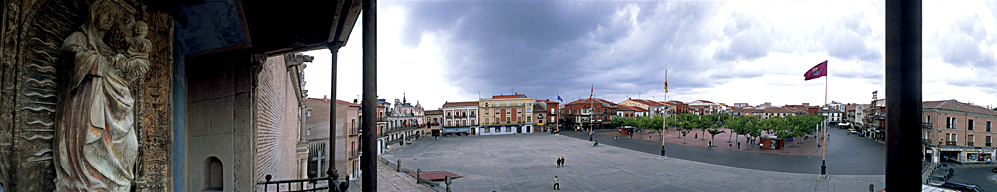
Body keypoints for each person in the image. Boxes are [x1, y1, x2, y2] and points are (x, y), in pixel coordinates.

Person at [56, 1, 150, 191]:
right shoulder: (79, 39)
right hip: (86, 105)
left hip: (113, 110)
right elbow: (69, 59)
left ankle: (115, 183)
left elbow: (120, 75)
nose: (109, 19)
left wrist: (127, 67)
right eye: (105, 12)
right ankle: (89, 181)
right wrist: (100, 62)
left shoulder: (107, 48)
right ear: (93, 14)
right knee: (92, 143)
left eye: (112, 16)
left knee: (130, 145)